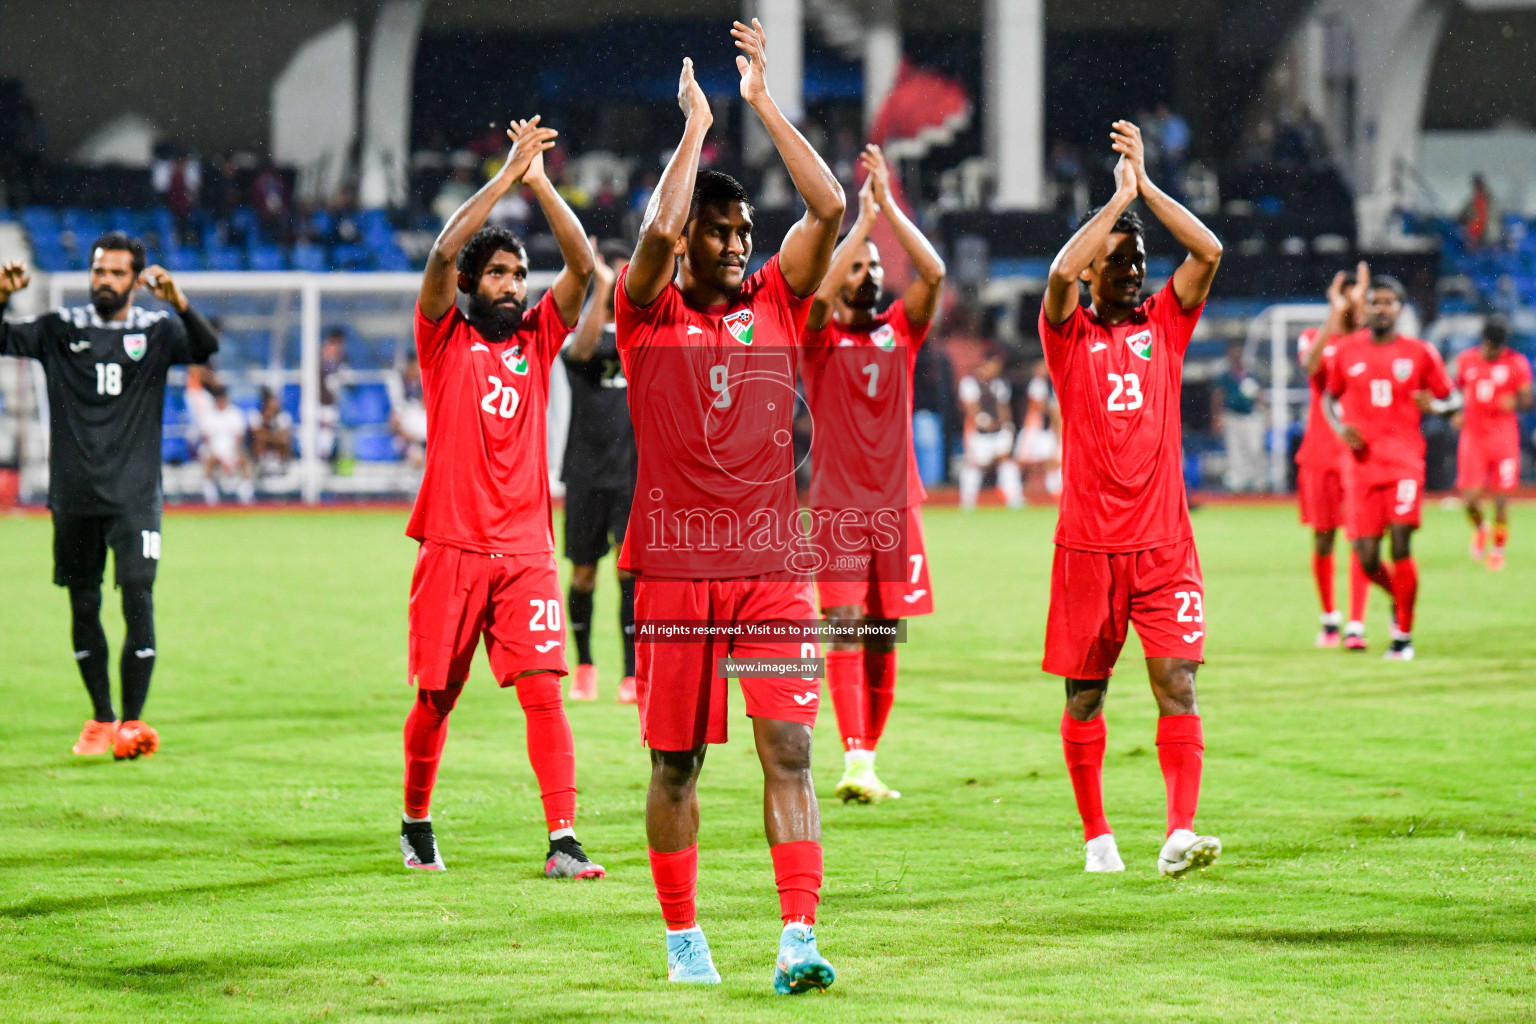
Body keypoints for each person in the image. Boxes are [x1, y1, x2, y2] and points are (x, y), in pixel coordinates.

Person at [616, 24, 845, 991]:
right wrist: (696, 130)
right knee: (677, 766)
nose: (740, 242)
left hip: (771, 573)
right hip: (674, 570)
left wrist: (760, 106)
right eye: (727, 230)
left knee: (789, 749)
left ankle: (800, 937)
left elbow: (830, 205)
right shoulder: (648, 312)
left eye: (747, 232)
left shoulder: (778, 305)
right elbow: (659, 236)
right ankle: (682, 940)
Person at [397, 115, 604, 881]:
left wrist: (541, 183)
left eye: (520, 277)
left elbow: (584, 270)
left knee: (545, 694)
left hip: (524, 551)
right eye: (500, 277)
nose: (515, 288)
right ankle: (416, 821)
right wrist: (503, 176)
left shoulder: (538, 341)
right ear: (470, 288)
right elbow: (445, 249)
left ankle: (563, 838)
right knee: (437, 698)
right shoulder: (442, 337)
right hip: (451, 546)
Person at [1039, 120, 1224, 878]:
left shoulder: (1166, 326)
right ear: (1094, 273)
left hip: (1163, 545)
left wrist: (1145, 190)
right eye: (1119, 264)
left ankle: (1180, 830)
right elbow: (1057, 277)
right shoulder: (1068, 334)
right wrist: (1112, 210)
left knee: (1176, 681)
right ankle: (1097, 835)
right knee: (1086, 698)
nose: (1134, 274)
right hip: (1087, 548)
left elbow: (1208, 250)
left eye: (1141, 263)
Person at [0, 235, 219, 759]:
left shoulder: (158, 331)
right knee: (84, 603)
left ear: (135, 281)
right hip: (73, 495)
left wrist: (179, 303)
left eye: (118, 273)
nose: (105, 280)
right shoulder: (60, 329)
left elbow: (206, 348)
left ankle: (133, 723)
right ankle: (101, 718)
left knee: (138, 598)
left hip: (135, 496)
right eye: (100, 271)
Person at [801, 143, 945, 805]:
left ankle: (867, 758)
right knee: (845, 627)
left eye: (874, 264)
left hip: (897, 507)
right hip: (836, 508)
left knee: (885, 635)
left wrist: (886, 209)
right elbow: (817, 298)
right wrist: (855, 229)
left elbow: (935, 272)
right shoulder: (822, 340)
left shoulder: (899, 331)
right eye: (857, 265)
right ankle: (854, 760)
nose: (868, 271)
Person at [1322, 274, 1453, 660]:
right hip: (1362, 467)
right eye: (1375, 302)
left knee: (1400, 542)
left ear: (1400, 308)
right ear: (1366, 309)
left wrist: (1439, 407)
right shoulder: (1346, 351)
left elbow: (1451, 398)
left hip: (1405, 463)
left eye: (1389, 302)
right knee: (1365, 557)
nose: (1382, 308)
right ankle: (1402, 598)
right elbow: (1329, 400)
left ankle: (1403, 636)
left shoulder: (1421, 352)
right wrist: (1340, 429)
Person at [560, 238, 638, 704]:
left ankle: (631, 673)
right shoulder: (583, 333)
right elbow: (582, 353)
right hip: (586, 475)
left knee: (631, 576)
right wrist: (599, 287)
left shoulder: (641, 333)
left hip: (633, 477)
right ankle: (585, 665)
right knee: (585, 574)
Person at [1295, 266, 1367, 647]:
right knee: (1323, 540)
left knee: (1361, 538)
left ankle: (1356, 623)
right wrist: (1334, 314)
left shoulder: (1370, 342)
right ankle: (1329, 618)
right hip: (1320, 454)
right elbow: (1310, 366)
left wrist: (1356, 316)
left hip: (1359, 456)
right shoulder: (1313, 337)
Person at [1455, 315, 1532, 570]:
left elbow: (1527, 399)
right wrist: (1455, 413)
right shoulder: (1465, 360)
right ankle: (1480, 528)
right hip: (1473, 437)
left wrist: (1517, 403)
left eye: (1498, 347)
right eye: (1490, 345)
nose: (1493, 351)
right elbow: (1451, 391)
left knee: (1501, 498)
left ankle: (1498, 548)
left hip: (1504, 437)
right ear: (1483, 340)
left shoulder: (1516, 363)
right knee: (1469, 497)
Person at [957, 350, 1024, 510]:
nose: (996, 369)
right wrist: (982, 420)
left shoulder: (1000, 383)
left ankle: (1015, 500)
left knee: (1006, 463)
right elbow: (971, 408)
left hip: (998, 433)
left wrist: (1007, 428)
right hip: (979, 434)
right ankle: (967, 503)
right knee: (975, 466)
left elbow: (1003, 408)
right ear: (985, 364)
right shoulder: (969, 382)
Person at [1211, 340, 1267, 492]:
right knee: (1235, 451)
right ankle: (1238, 485)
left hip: (1251, 416)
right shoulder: (1225, 375)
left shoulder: (1250, 373)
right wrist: (1216, 417)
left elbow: (1260, 395)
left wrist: (1265, 412)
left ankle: (1259, 484)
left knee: (1255, 449)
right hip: (1232, 416)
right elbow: (1218, 396)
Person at [192, 380, 254, 505]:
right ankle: (211, 498)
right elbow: (207, 439)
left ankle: (245, 496)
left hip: (232, 450)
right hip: (213, 450)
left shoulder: (235, 414)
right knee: (209, 461)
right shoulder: (208, 415)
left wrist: (232, 458)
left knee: (244, 461)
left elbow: (239, 439)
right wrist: (218, 456)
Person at [1014, 359, 1063, 497]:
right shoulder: (1037, 384)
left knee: (1052, 462)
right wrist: (1054, 412)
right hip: (1033, 430)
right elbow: (1040, 406)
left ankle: (1053, 492)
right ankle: (1017, 492)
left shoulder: (1052, 385)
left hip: (1047, 432)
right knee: (1023, 462)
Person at [387, 352, 428, 471]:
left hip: (421, 440)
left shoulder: (421, 388)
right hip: (406, 440)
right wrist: (407, 435)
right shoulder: (399, 395)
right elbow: (394, 423)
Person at [250, 386, 295, 476]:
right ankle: (261, 463)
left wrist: (268, 436)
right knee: (259, 442)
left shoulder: (284, 417)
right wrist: (275, 436)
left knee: (285, 443)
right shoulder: (256, 415)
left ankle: (281, 463)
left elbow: (285, 438)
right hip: (262, 451)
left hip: (277, 449)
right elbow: (258, 436)